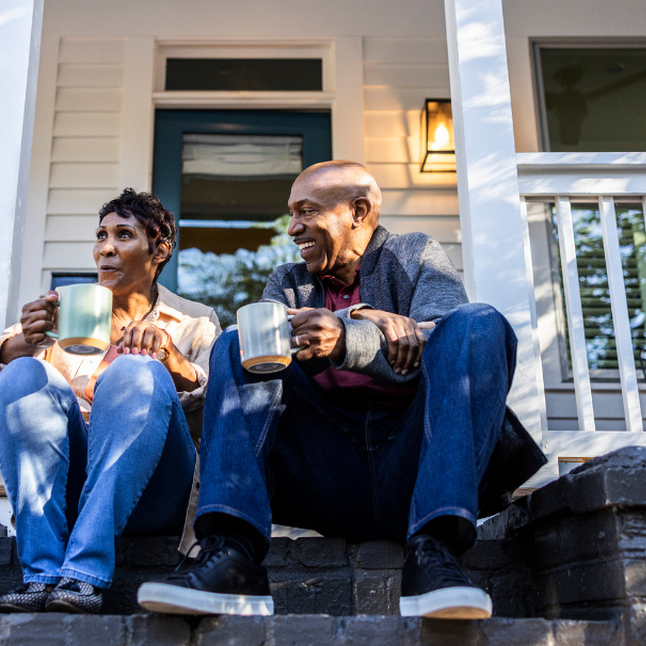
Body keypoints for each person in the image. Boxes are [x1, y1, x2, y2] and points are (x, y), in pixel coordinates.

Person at [136, 161, 545, 619]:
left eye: (306, 211)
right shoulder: (289, 282)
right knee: (237, 341)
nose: (292, 227)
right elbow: (266, 360)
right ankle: (231, 558)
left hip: (414, 472)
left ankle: (435, 556)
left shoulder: (414, 255)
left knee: (479, 321)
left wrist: (347, 339)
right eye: (291, 213)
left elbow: (448, 344)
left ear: (358, 211)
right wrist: (369, 316)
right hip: (325, 473)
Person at [0, 189, 220, 614]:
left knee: (135, 370)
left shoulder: (196, 322)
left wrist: (170, 358)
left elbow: (216, 411)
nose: (105, 248)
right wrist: (24, 340)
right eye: (101, 236)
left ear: (158, 250)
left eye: (123, 235)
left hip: (157, 492)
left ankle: (84, 573)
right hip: (69, 488)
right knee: (22, 374)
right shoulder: (65, 312)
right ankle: (41, 574)